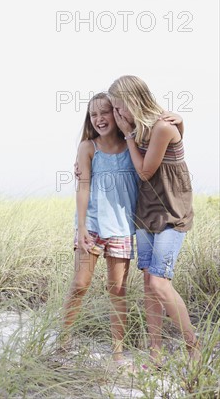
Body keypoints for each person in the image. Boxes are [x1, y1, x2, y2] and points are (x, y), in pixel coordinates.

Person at [107, 75, 200, 368]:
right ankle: (155, 353)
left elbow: (146, 172)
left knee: (160, 283)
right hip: (146, 214)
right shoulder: (142, 128)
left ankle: (193, 346)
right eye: (115, 110)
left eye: (120, 108)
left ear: (134, 101)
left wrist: (128, 135)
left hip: (172, 213)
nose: (118, 115)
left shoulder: (160, 127)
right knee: (148, 283)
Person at [58, 92, 139, 369]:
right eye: (94, 115)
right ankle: (63, 341)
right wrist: (80, 227)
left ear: (117, 114)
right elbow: (82, 187)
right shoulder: (87, 147)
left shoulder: (133, 145)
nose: (99, 119)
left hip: (122, 227)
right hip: (91, 225)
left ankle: (117, 352)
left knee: (117, 289)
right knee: (80, 284)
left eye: (105, 112)